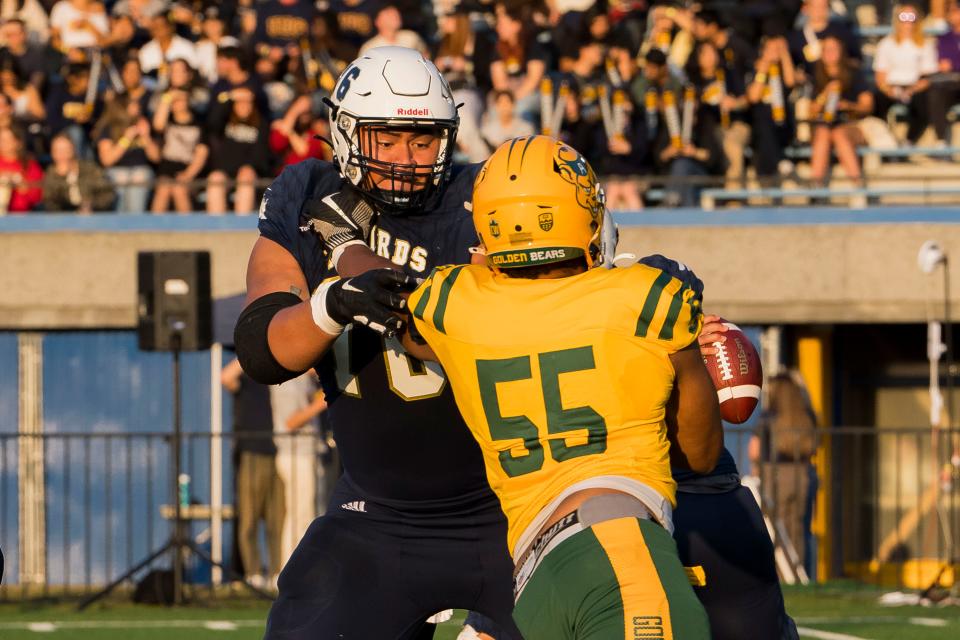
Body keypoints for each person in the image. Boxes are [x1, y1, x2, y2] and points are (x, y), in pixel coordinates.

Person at [234, 46, 521, 639]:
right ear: (345, 132)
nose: (405, 159)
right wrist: (331, 302)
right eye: (386, 140)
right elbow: (262, 350)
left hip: (511, 515)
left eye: (422, 141)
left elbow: (451, 335)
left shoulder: (487, 200)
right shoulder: (308, 189)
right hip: (375, 517)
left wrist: (347, 250)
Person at [398, 135, 719, 639]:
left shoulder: (453, 303)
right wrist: (690, 354)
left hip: (532, 572)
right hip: (617, 542)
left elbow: (403, 317)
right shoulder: (646, 298)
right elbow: (700, 454)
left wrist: (343, 245)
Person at [221, 357, 285, 591]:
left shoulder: (277, 378)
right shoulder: (246, 378)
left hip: (278, 453)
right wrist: (253, 351)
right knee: (249, 518)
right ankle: (253, 572)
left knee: (277, 519)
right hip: (252, 453)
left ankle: (277, 572)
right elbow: (225, 377)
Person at [270, 370, 326, 567]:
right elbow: (290, 422)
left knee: (311, 513)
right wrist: (319, 404)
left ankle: (306, 568)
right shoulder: (288, 382)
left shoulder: (305, 381)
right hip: (296, 455)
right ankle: (292, 568)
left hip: (308, 453)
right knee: (299, 515)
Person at [873, 4, 937, 145]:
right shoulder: (886, 44)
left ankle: (909, 141)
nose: (907, 21)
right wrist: (891, 91)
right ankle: (884, 143)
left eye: (911, 17)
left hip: (915, 87)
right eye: (903, 17)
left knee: (924, 105)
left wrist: (910, 91)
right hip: (891, 86)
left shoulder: (925, 44)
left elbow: (927, 77)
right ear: (897, 20)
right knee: (877, 102)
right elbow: (880, 76)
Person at [42, 132, 115, 212]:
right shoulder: (51, 174)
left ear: (73, 150)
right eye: (58, 151)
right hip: (63, 219)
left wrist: (91, 206)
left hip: (93, 217)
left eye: (66, 150)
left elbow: (107, 194)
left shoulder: (90, 170)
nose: (62, 154)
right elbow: (50, 202)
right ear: (52, 153)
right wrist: (61, 177)